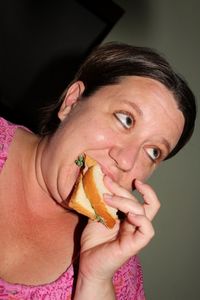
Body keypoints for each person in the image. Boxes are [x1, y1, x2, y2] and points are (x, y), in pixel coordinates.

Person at [0, 42, 196, 300]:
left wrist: (95, 281)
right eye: (125, 119)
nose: (126, 161)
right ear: (71, 102)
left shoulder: (118, 268)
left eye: (153, 152)